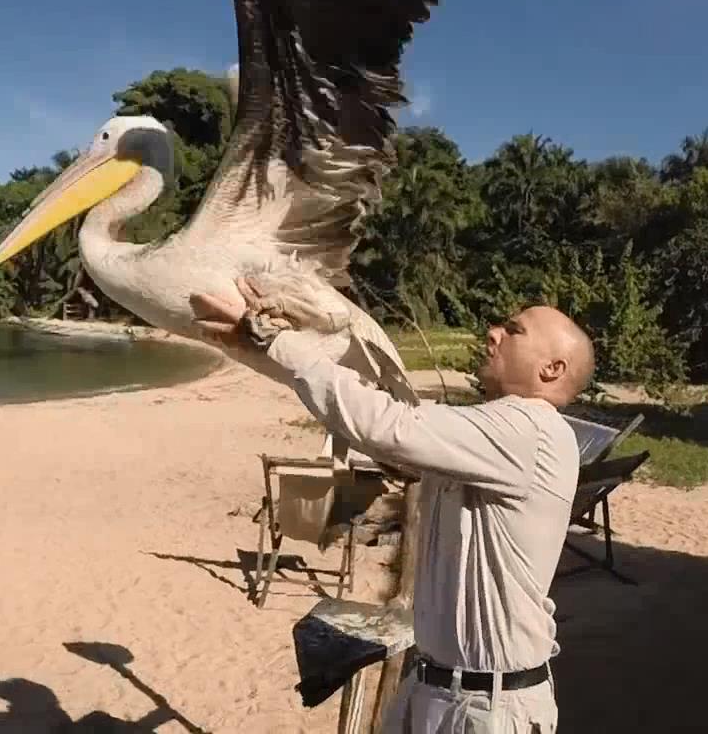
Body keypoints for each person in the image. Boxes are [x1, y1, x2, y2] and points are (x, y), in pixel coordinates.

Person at [190, 282, 593, 734]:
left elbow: (388, 426)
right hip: (439, 689)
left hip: (486, 709)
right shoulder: (493, 432)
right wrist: (269, 343)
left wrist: (274, 338)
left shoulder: (529, 430)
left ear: (552, 368)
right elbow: (386, 436)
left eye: (514, 331)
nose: (494, 332)